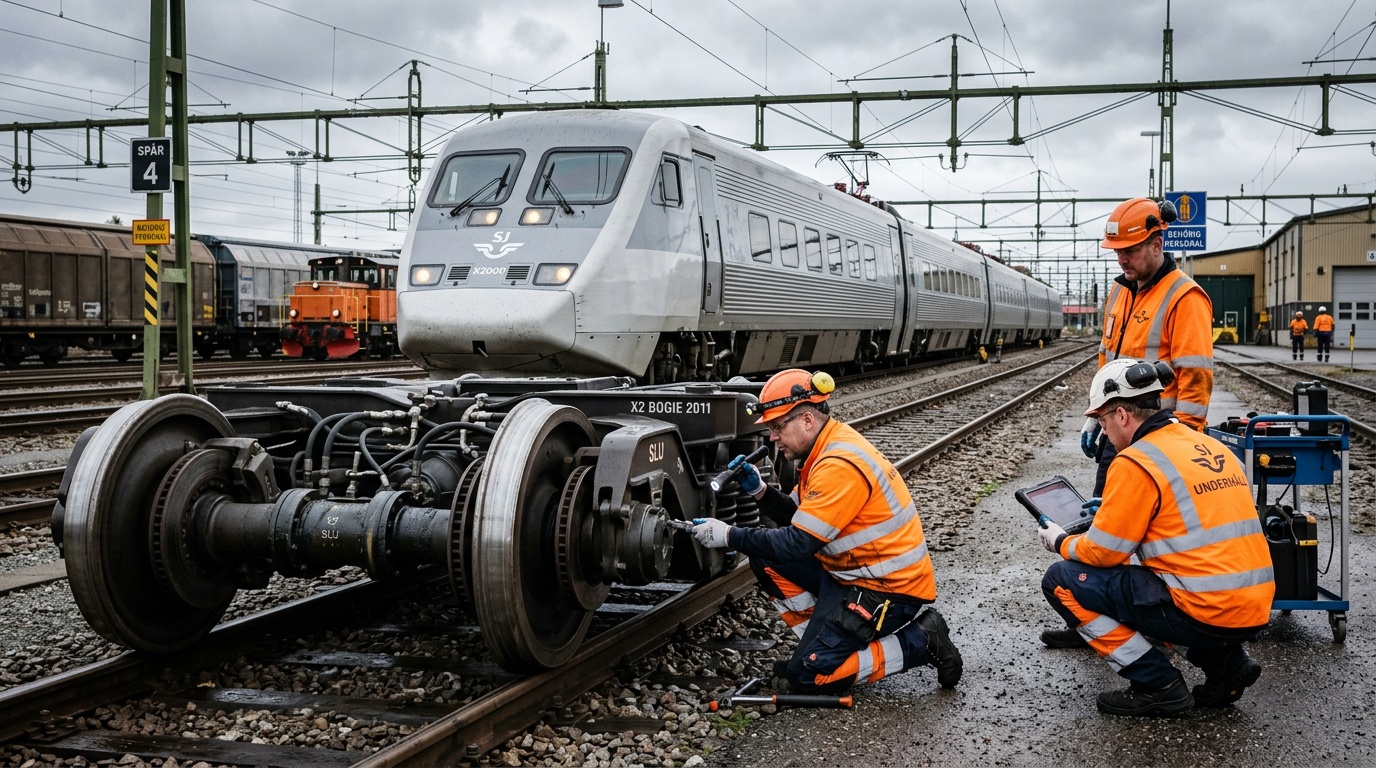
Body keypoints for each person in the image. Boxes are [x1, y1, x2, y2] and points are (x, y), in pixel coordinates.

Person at [689, 368, 962, 694]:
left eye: (777, 427)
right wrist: (760, 491)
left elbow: (797, 543)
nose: (772, 437)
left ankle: (922, 640)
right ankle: (821, 647)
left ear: (806, 420)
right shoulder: (826, 447)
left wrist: (728, 535)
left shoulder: (837, 464)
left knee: (809, 679)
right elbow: (800, 519)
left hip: (887, 589)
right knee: (764, 557)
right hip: (851, 573)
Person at [1039, 358, 1274, 716]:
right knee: (1159, 583)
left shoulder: (1136, 461)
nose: (1104, 432)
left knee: (1062, 579)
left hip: (1204, 612)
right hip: (1253, 607)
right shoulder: (1209, 446)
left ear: (1121, 416)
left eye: (1102, 421)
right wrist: (1116, 507)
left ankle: (1156, 684)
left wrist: (1059, 540)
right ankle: (1228, 666)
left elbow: (1103, 554)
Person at [1056, 196, 1216, 650]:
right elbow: (1108, 358)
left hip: (1160, 438)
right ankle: (1091, 615)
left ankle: (1135, 627)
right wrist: (1097, 416)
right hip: (1118, 430)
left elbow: (1196, 374)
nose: (1122, 259)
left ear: (1158, 241)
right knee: (1105, 523)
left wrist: (1183, 439)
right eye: (1117, 252)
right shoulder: (1121, 291)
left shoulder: (1185, 297)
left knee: (1144, 535)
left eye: (1130, 250)